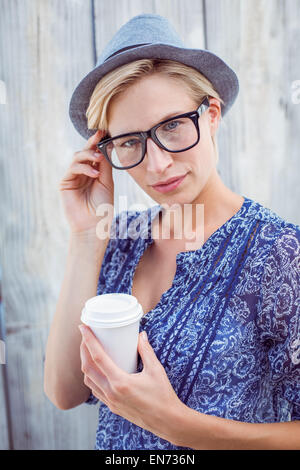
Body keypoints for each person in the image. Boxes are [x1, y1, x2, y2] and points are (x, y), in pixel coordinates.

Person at [44, 14, 300, 450]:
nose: (157, 164)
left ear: (212, 114)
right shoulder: (117, 238)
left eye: (173, 126)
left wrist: (177, 424)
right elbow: (65, 392)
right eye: (130, 142)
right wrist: (86, 237)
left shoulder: (278, 253)